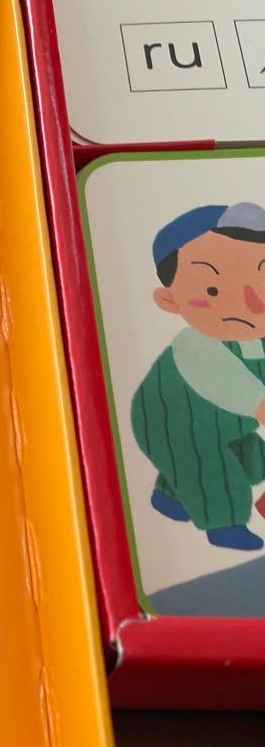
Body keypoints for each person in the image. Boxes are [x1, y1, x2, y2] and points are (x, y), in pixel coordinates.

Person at [131, 202, 265, 551]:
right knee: (213, 471)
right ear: (170, 300)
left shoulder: (258, 335)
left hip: (230, 424)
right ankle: (226, 527)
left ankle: (171, 499)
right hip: (168, 420)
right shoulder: (196, 346)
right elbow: (230, 384)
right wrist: (259, 405)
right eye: (213, 290)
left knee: (252, 462)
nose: (253, 302)